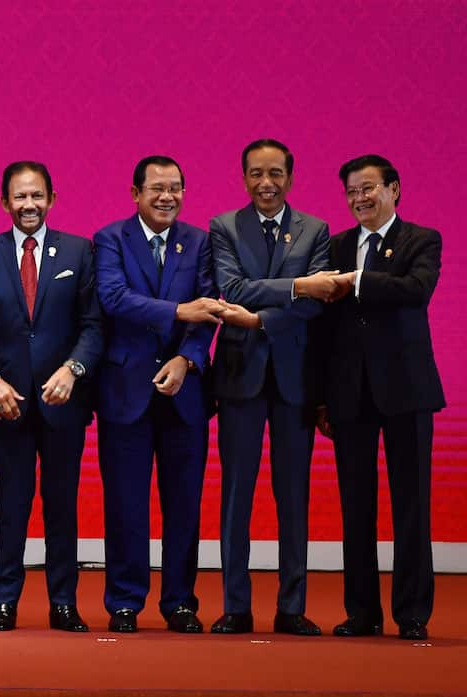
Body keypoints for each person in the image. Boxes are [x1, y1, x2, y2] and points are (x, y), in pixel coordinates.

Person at [0, 161, 102, 632]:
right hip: (8, 402)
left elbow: (93, 325)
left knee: (62, 506)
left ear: (52, 198)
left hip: (66, 403)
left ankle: (63, 602)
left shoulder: (80, 252)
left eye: (37, 195)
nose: (29, 205)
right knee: (12, 505)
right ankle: (4, 602)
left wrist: (72, 369)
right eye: (20, 197)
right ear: (5, 203)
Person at [315, 155, 443, 641]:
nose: (359, 199)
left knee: (411, 504)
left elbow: (416, 289)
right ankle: (361, 612)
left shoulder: (421, 239)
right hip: (351, 395)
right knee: (356, 506)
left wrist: (357, 282)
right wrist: (322, 399)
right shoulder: (337, 245)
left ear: (394, 189)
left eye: (367, 188)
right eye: (351, 192)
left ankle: (412, 613)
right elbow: (326, 329)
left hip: (407, 391)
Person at [207, 139, 331, 636]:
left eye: (275, 173)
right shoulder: (223, 228)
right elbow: (232, 288)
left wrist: (259, 318)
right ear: (243, 178)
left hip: (295, 378)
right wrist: (300, 285)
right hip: (239, 376)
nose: (266, 183)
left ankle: (291, 607)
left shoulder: (315, 230)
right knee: (236, 493)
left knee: (293, 494)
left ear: (290, 177)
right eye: (256, 173)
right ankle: (236, 605)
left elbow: (318, 305)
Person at [93, 156, 220, 634]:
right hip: (125, 389)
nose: (168, 197)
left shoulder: (199, 242)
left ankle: (180, 601)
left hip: (184, 390)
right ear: (136, 193)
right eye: (157, 188)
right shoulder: (110, 239)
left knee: (185, 502)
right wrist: (181, 310)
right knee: (125, 501)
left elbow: (211, 309)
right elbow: (114, 298)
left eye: (176, 188)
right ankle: (124, 601)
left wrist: (187, 360)